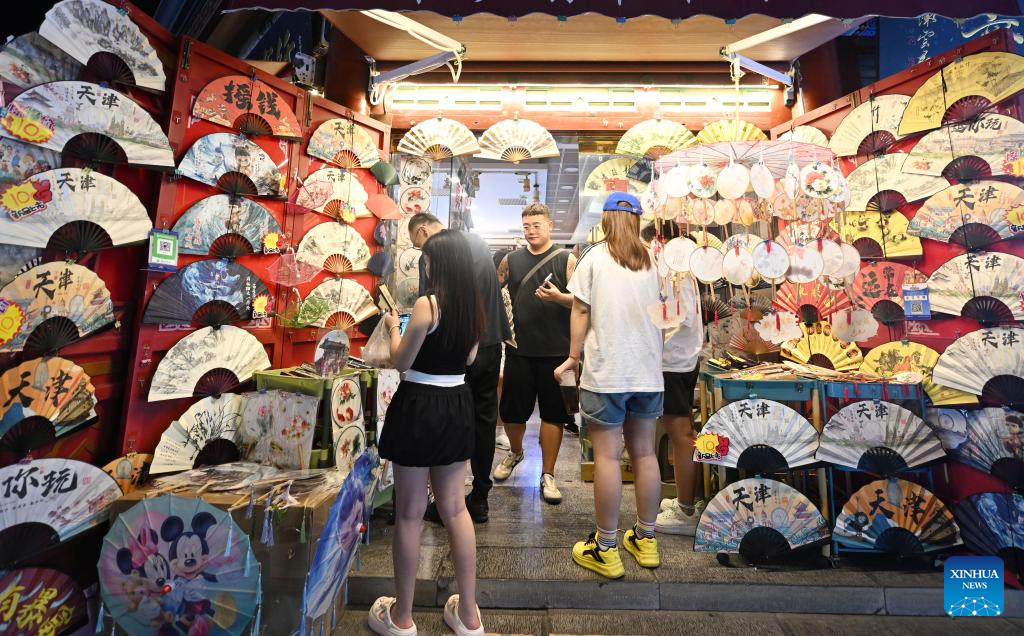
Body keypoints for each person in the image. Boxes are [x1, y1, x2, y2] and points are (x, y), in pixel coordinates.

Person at [370, 230, 485, 636]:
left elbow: (402, 361)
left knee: (409, 512)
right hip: (456, 402)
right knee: (455, 509)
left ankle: (402, 618)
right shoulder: (472, 306)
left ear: (435, 264)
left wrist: (392, 327)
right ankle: (468, 615)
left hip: (419, 405)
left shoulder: (426, 304)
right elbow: (469, 357)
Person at [554, 192, 664, 579]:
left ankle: (605, 548)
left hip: (607, 373)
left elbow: (580, 309)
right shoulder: (654, 261)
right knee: (645, 453)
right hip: (648, 372)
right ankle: (646, 540)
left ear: (605, 220)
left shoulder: (595, 258)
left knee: (606, 456)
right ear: (637, 220)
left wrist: (572, 356)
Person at [408, 213, 510, 523]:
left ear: (423, 230)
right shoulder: (476, 242)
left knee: (450, 416)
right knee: (483, 420)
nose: (421, 253)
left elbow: (436, 303)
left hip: (461, 346)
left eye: (418, 244)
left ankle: (447, 501)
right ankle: (479, 496)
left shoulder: (438, 252)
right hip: (490, 343)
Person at [494, 203, 577, 504]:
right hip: (519, 350)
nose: (531, 231)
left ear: (550, 225)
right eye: (526, 226)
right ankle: (515, 452)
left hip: (559, 353)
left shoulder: (567, 259)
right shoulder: (511, 260)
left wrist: (559, 298)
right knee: (511, 412)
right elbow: (493, 292)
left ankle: (548, 474)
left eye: (537, 225)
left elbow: (583, 302)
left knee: (554, 414)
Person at [641, 221, 706, 534]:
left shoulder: (675, 273)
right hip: (680, 360)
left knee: (680, 433)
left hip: (673, 363)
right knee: (681, 430)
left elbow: (680, 319)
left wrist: (652, 347)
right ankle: (685, 501)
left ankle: (686, 509)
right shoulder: (683, 272)